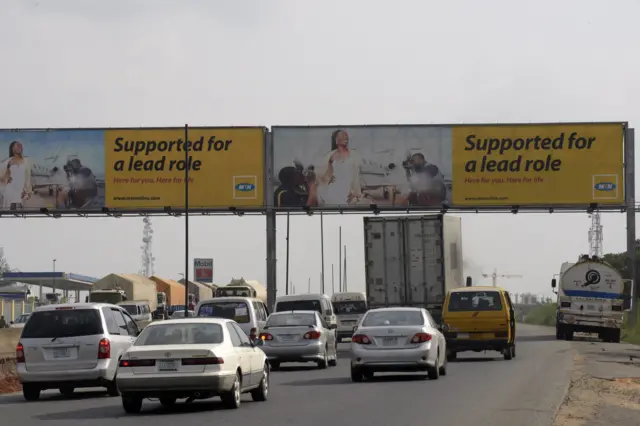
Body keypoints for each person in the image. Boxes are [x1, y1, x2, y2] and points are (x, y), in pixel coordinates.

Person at [315, 130, 363, 206]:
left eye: (346, 135)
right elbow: (323, 173)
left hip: (347, 191)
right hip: (333, 190)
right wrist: (328, 179)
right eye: (343, 135)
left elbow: (356, 176)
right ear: (336, 140)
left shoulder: (354, 155)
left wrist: (355, 194)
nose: (346, 137)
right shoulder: (330, 156)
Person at [0, 140, 32, 211]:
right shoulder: (8, 161)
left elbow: (28, 178)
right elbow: (3, 176)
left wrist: (28, 191)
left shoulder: (26, 160)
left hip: (21, 192)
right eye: (17, 145)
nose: (20, 147)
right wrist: (6, 179)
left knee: (20, 214)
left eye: (21, 146)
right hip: (9, 191)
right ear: (12, 148)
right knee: (8, 213)